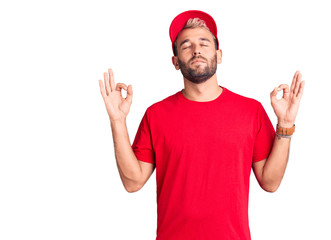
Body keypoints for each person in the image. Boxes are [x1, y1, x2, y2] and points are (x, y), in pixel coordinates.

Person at [98, 10, 305, 240]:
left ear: (219, 54)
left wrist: (285, 124)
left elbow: (270, 182)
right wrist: (117, 120)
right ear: (175, 62)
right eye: (186, 45)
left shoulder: (251, 111)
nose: (196, 49)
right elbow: (132, 182)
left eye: (204, 43)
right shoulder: (156, 115)